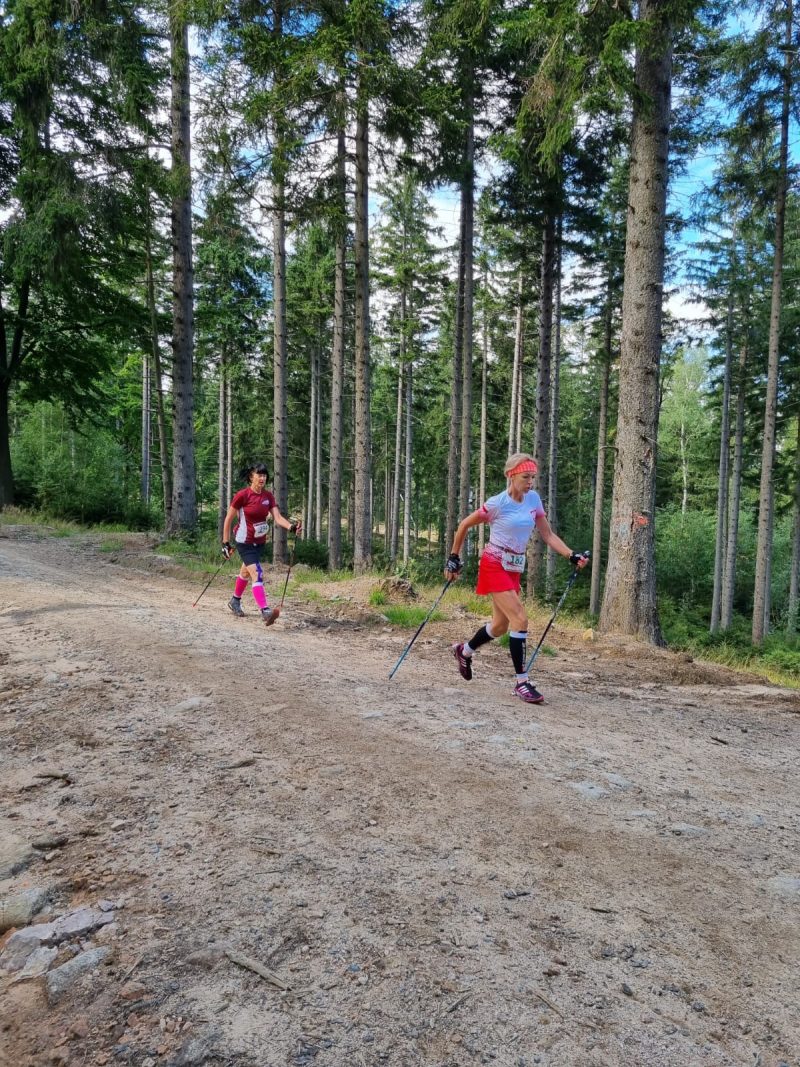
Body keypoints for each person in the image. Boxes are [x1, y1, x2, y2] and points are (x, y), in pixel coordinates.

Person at [445, 452, 589, 704]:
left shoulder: (533, 499)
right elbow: (464, 524)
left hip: (513, 566)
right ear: (511, 476)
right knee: (520, 618)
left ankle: (464, 651)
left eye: (533, 477)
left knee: (500, 626)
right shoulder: (497, 503)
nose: (530, 482)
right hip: (493, 563)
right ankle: (522, 682)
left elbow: (548, 535)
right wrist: (454, 557)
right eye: (525, 477)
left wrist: (571, 555)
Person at [221, 463, 301, 625]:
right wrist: (225, 543)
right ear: (252, 476)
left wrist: (291, 527)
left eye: (265, 475)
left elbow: (278, 518)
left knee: (245, 572)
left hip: (259, 542)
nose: (262, 478)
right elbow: (228, 519)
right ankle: (265, 610)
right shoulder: (242, 495)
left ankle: (235, 600)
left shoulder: (268, 497)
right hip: (244, 541)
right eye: (259, 475)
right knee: (257, 573)